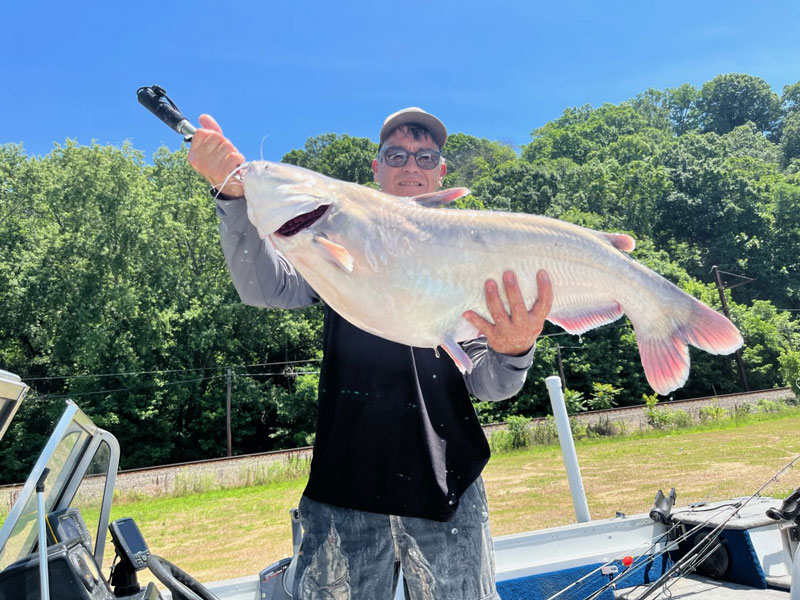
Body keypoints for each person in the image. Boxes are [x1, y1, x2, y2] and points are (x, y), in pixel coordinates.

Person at [187, 107, 553, 600]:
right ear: (376, 169)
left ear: (441, 172)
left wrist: (515, 350)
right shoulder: (338, 238)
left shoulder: (474, 255)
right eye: (395, 154)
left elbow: (491, 387)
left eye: (426, 156)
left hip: (450, 488)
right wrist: (231, 195)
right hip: (343, 490)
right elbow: (264, 286)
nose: (411, 165)